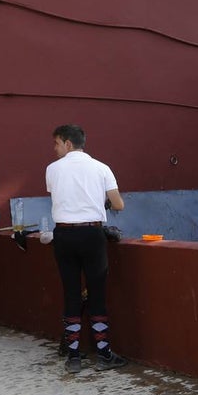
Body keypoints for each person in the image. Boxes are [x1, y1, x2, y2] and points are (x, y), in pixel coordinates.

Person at [46, 124, 128, 375]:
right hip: (92, 235)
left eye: (56, 143)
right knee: (97, 294)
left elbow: (62, 197)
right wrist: (100, 202)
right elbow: (118, 204)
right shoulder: (102, 168)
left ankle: (73, 357)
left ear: (68, 143)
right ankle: (104, 354)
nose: (54, 148)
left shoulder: (52, 169)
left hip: (63, 235)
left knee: (71, 293)